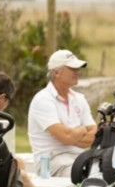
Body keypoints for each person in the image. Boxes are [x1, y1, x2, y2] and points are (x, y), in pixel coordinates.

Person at [28, 49, 97, 178]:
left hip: (78, 158)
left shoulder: (79, 98)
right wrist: (82, 130)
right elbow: (65, 137)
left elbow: (93, 136)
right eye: (72, 68)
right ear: (56, 72)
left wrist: (72, 136)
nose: (78, 72)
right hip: (51, 163)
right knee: (88, 177)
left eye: (78, 68)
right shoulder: (42, 100)